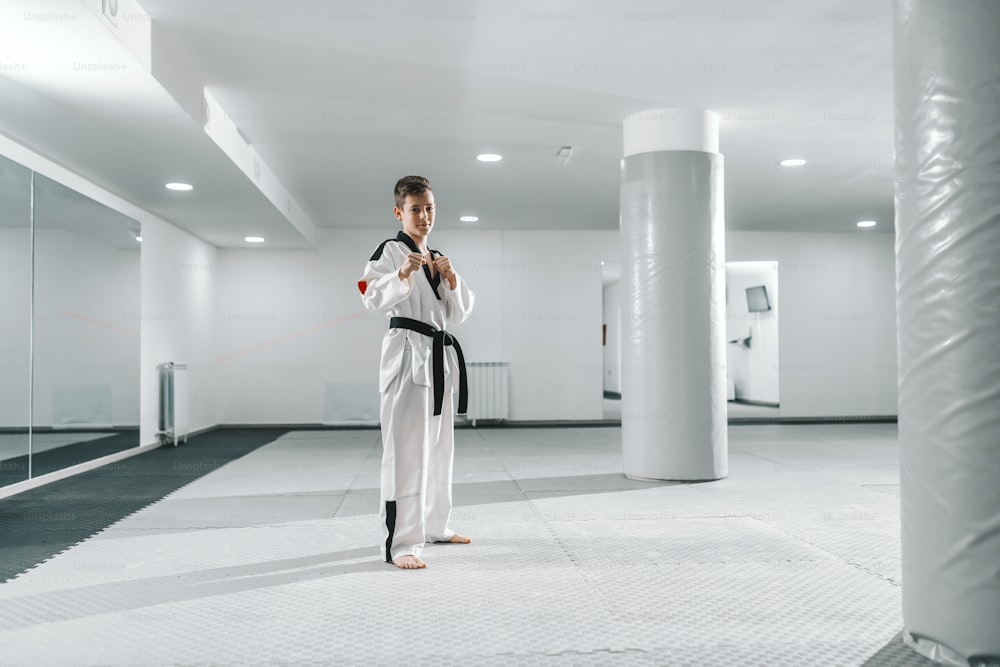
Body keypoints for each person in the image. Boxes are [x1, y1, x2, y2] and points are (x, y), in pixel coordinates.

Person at [358, 175, 475, 570]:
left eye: (429, 208)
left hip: (439, 359)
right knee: (407, 453)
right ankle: (402, 543)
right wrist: (402, 275)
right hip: (407, 360)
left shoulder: (439, 257)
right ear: (399, 212)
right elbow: (370, 298)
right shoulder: (389, 252)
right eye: (415, 209)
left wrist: (453, 280)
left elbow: (458, 314)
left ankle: (435, 525)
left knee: (441, 450)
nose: (424, 216)